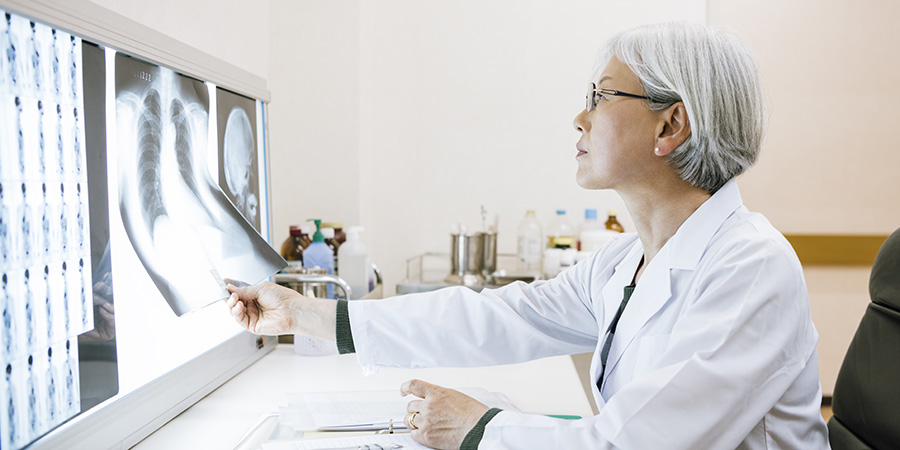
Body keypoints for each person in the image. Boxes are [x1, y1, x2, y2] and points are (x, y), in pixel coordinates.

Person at [226, 22, 830, 449]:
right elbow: (500, 317)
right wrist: (311, 317)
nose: (579, 116)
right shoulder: (630, 261)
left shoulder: (752, 269)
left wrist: (480, 427)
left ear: (670, 124)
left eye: (601, 96)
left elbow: (640, 445)